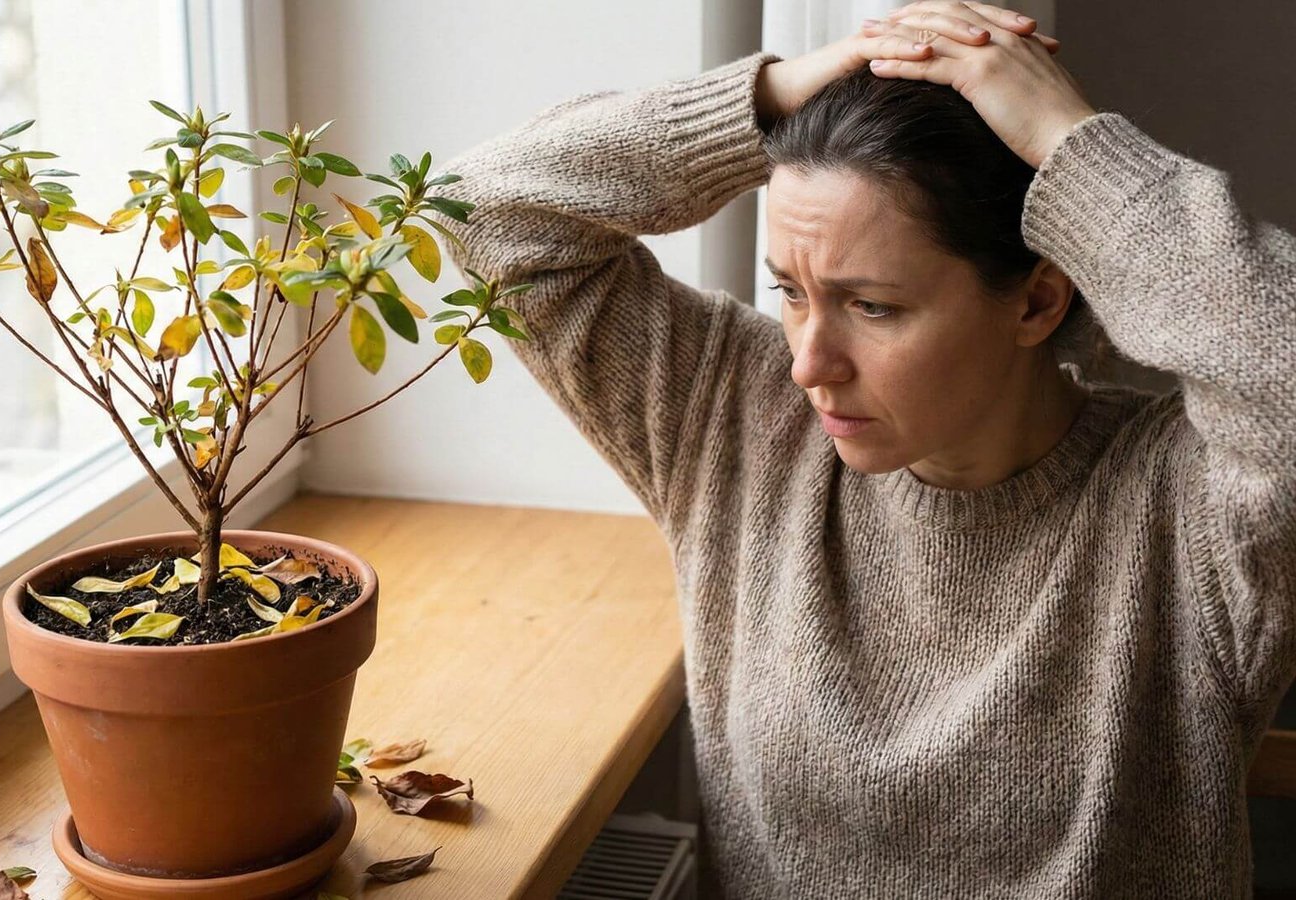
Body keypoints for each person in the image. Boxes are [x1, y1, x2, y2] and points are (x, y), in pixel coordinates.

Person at [426, 1, 1296, 896]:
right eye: (791, 292)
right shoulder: (732, 419)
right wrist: (771, 97)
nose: (809, 363)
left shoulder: (1193, 515)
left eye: (873, 306)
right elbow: (485, 208)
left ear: (1037, 302)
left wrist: (1073, 145)